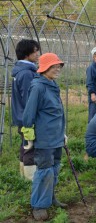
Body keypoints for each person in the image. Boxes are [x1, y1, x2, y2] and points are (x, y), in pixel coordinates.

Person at [22, 53, 67, 221]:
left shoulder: (52, 84)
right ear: (44, 68)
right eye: (54, 66)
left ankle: (50, 198)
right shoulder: (38, 87)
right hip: (44, 139)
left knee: (54, 168)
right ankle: (39, 205)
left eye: (59, 66)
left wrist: (63, 132)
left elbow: (57, 112)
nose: (58, 69)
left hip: (56, 137)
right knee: (44, 171)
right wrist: (29, 136)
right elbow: (28, 114)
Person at [11, 39, 40, 181]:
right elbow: (30, 100)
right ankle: (31, 179)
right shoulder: (27, 74)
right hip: (27, 119)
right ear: (26, 54)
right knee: (31, 147)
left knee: (25, 145)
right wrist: (33, 120)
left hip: (20, 116)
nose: (37, 54)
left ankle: (23, 176)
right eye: (35, 51)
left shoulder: (20, 71)